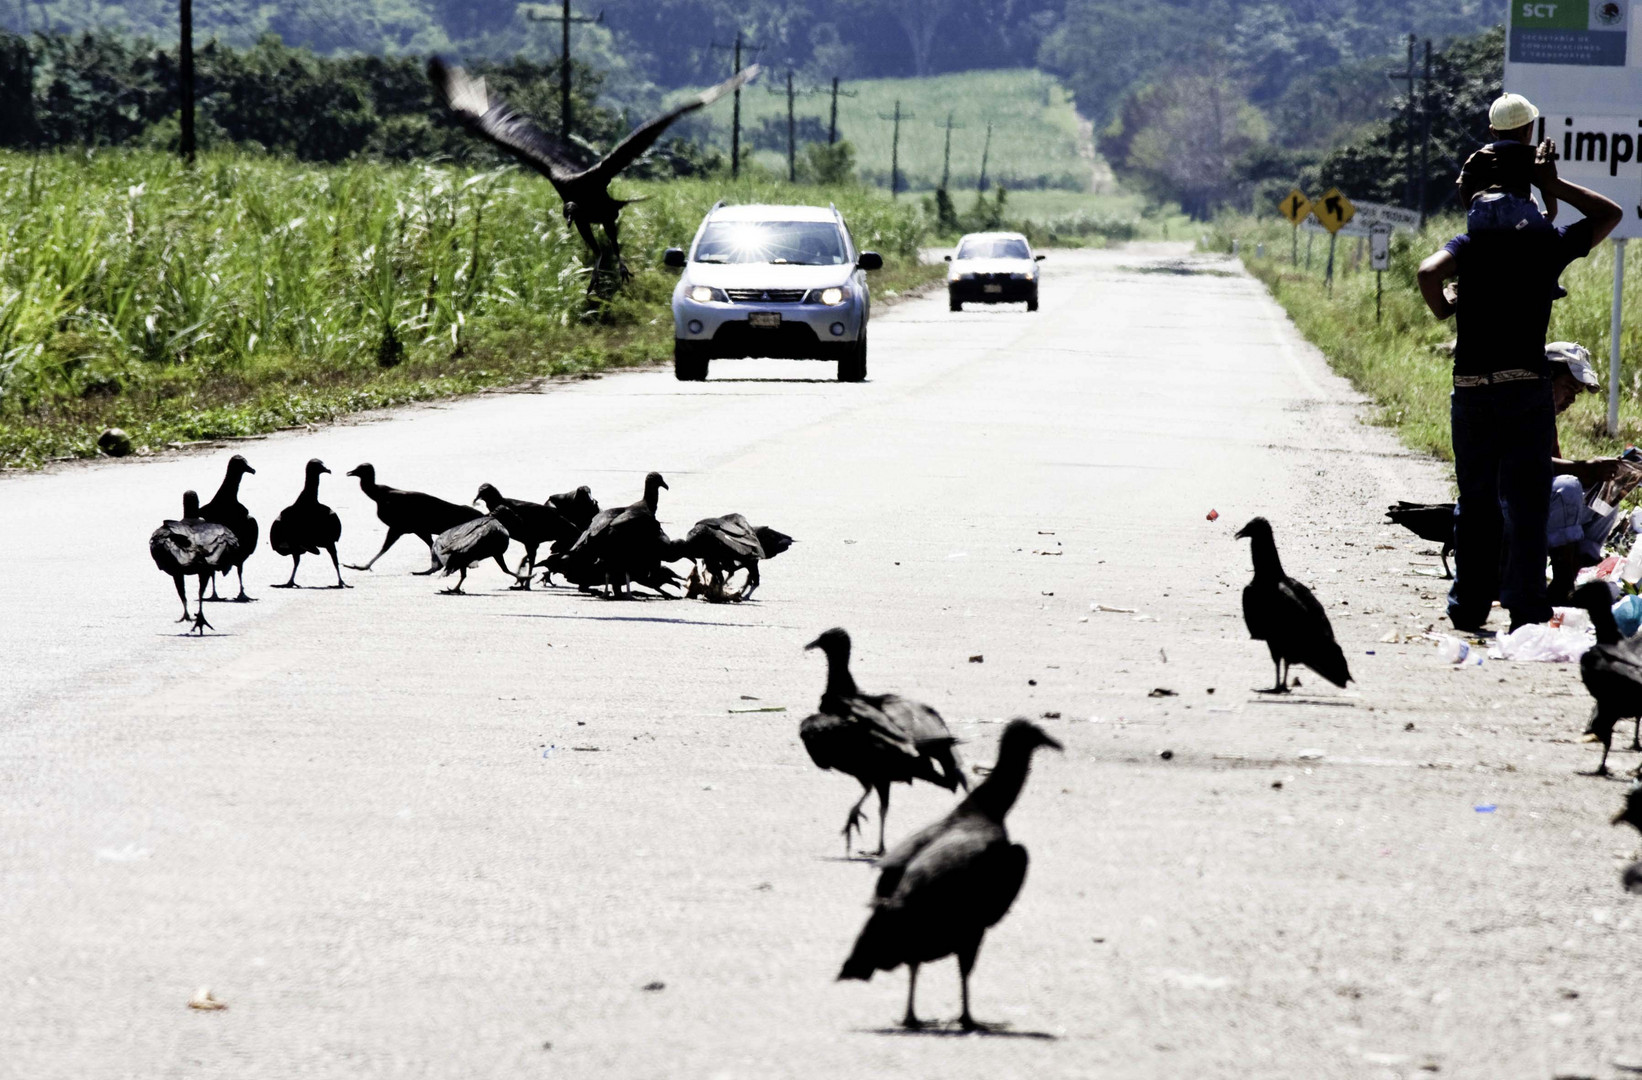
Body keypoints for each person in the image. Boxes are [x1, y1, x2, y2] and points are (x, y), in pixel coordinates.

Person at [1417, 92, 1623, 633]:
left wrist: (1447, 309)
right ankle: (1526, 608)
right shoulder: (1545, 243)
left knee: (1478, 500)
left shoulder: (1469, 243)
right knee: (1527, 503)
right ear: (1531, 135)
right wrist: (1554, 187)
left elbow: (1426, 273)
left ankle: (1469, 607)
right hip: (1526, 387)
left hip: (1472, 388)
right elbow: (1610, 213)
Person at [1543, 342, 1627, 602]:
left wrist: (1599, 472)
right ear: (1546, 378)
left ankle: (1584, 564)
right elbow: (1528, 464)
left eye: (1576, 393)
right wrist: (1582, 468)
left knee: (1611, 489)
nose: (1571, 398)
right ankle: (1563, 581)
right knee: (1568, 485)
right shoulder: (1521, 410)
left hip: (1539, 502)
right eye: (1569, 388)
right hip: (1512, 504)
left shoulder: (1548, 417)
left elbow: (1551, 464)